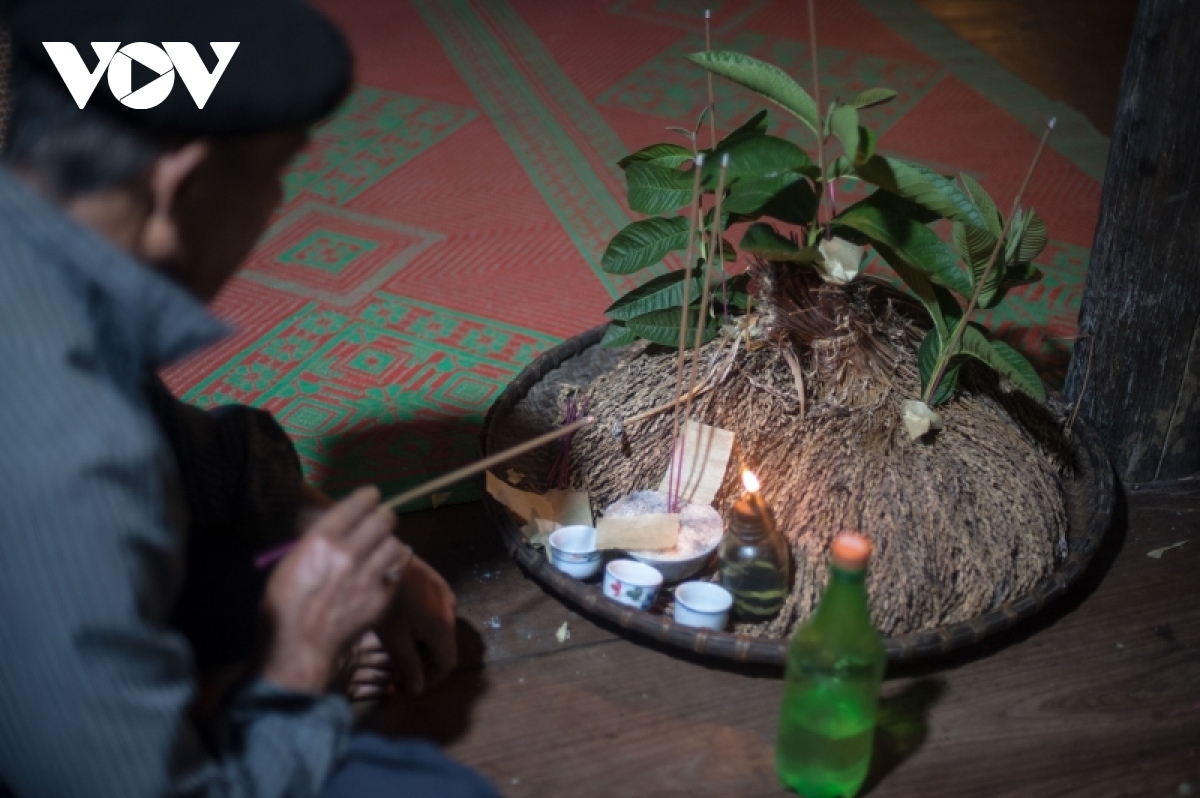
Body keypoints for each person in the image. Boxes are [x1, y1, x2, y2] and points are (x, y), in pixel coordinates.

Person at [0, 1, 499, 796]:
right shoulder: (75, 463)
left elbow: (189, 455)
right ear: (180, 184)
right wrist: (297, 667)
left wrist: (315, 527)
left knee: (257, 571)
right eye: (274, 177)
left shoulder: (39, 258)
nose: (272, 208)